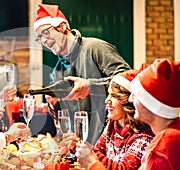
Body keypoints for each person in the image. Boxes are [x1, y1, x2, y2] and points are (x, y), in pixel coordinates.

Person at [76, 59, 180, 170]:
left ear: (150, 103)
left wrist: (92, 163)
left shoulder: (167, 144)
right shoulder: (170, 134)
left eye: (136, 95)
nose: (130, 99)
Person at [33, 4, 131, 145]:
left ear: (62, 27)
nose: (44, 41)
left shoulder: (95, 48)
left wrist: (90, 86)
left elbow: (127, 80)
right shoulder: (57, 72)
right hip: (82, 148)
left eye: (46, 33)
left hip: (111, 143)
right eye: (39, 38)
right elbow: (64, 119)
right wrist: (54, 106)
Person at [92, 69, 154, 170]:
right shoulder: (113, 124)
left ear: (127, 100)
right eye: (108, 95)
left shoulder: (144, 134)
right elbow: (99, 150)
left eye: (113, 96)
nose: (107, 100)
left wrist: (90, 156)